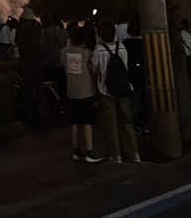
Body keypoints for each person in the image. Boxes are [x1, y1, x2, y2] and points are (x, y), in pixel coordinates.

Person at [92, 19, 140, 164]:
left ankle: (116, 155)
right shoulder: (122, 48)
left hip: (106, 90)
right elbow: (126, 67)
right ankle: (134, 153)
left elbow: (95, 70)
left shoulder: (98, 50)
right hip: (124, 88)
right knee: (126, 121)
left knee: (111, 124)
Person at [62, 25, 102, 163]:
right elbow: (93, 70)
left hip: (71, 91)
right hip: (85, 91)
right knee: (87, 122)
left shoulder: (64, 52)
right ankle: (89, 151)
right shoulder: (86, 53)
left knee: (74, 122)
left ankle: (76, 150)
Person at [17, 7, 43, 124]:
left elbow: (17, 41)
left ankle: (28, 113)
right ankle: (38, 112)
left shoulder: (21, 29)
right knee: (37, 87)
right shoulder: (37, 28)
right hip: (37, 61)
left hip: (25, 61)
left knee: (26, 88)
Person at [123, 18, 146, 131]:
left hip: (131, 75)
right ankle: (143, 123)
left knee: (134, 101)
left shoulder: (125, 44)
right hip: (144, 75)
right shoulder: (144, 43)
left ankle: (134, 124)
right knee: (143, 100)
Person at [42, 16, 68, 100]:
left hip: (47, 60)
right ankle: (60, 98)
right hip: (57, 60)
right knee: (59, 82)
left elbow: (41, 46)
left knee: (51, 81)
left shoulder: (44, 31)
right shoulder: (55, 31)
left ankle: (52, 98)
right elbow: (62, 43)